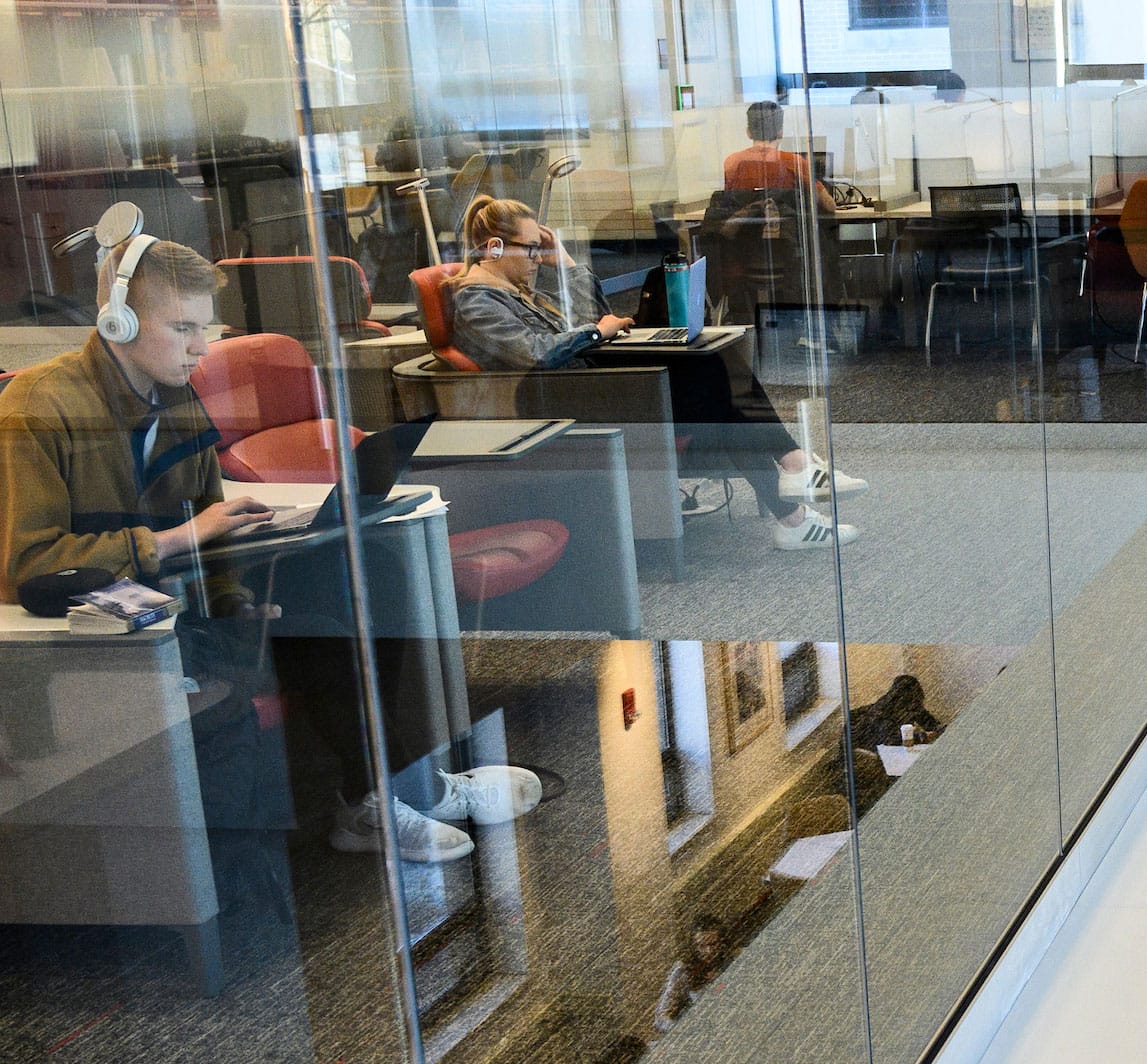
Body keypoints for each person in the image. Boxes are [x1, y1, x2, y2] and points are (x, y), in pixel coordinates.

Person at [0, 233, 538, 861]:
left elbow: (207, 523)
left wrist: (233, 599)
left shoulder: (174, 395)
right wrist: (179, 539)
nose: (202, 349)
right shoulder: (37, 406)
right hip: (104, 632)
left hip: (187, 601)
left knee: (377, 574)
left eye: (206, 328)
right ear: (116, 320)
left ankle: (403, 789)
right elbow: (29, 566)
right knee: (325, 624)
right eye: (182, 328)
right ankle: (383, 798)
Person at [447, 195, 866, 550]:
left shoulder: (514, 291)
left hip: (586, 386)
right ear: (494, 248)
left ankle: (792, 497)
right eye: (531, 249)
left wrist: (569, 266)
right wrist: (595, 332)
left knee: (716, 373)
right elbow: (535, 355)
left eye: (542, 248)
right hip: (563, 402)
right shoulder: (477, 302)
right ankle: (793, 488)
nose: (539, 258)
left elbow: (594, 316)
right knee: (715, 386)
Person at [723, 100, 837, 216]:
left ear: (748, 132)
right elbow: (829, 206)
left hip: (744, 232)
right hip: (785, 232)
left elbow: (729, 204)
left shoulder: (732, 162)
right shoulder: (794, 162)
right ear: (780, 132)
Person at [655, 916, 728, 1030]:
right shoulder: (684, 970)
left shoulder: (735, 961)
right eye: (702, 945)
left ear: (722, 942)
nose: (708, 951)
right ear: (694, 946)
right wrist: (684, 1031)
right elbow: (662, 1017)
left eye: (713, 944)